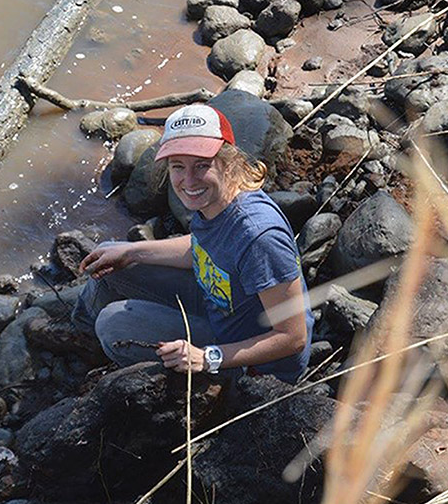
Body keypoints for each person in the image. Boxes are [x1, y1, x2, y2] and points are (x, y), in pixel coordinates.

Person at [71, 103, 314, 382]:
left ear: (228, 161)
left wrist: (208, 357)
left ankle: (206, 390)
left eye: (202, 165)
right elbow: (203, 248)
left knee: (113, 323)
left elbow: (293, 338)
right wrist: (131, 251)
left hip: (255, 362)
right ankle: (80, 337)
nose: (188, 181)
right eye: (178, 167)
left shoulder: (259, 236)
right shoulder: (216, 203)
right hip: (220, 306)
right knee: (114, 264)